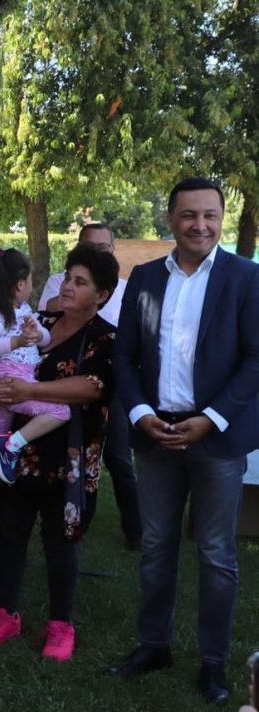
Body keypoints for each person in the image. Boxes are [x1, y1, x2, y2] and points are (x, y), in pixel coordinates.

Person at [108, 177, 259, 705]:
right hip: (155, 434)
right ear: (170, 219)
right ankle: (154, 646)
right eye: (189, 215)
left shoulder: (246, 278)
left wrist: (211, 419)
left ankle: (213, 663)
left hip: (215, 437)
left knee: (217, 554)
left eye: (210, 215)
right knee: (155, 548)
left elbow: (255, 360)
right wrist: (142, 413)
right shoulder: (145, 278)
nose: (201, 225)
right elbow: (123, 357)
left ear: (222, 218)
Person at [0, 244, 119, 663]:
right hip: (19, 451)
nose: (68, 286)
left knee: (62, 540)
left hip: (70, 456)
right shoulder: (36, 320)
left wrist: (30, 391)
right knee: (11, 532)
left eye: (80, 282)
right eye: (67, 277)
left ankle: (60, 624)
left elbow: (93, 386)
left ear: (102, 294)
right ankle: (4, 613)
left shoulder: (105, 337)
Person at [39, 223, 139, 548]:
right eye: (89, 247)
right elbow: (47, 319)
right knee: (66, 454)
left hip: (114, 381)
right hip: (65, 382)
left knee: (119, 458)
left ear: (114, 249)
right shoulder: (59, 281)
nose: (97, 253)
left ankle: (135, 531)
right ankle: (65, 520)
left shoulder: (127, 287)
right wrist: (73, 291)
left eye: (103, 247)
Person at [0, 248, 70, 513]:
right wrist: (18, 341)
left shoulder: (24, 311)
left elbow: (46, 339)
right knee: (61, 410)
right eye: (31, 279)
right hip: (11, 379)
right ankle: (13, 444)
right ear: (20, 284)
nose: (32, 285)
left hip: (10, 378)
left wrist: (36, 334)